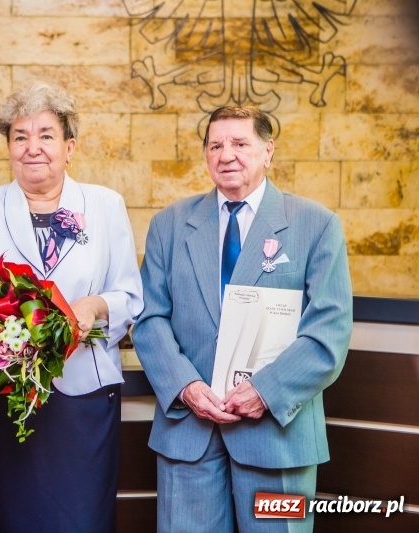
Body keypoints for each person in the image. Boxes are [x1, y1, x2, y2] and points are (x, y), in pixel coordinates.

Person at [133, 105, 353, 532]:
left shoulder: (316, 225)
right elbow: (149, 319)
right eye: (215, 145)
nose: (226, 154)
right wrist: (186, 387)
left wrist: (264, 390)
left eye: (240, 143)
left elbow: (329, 331)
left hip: (277, 438)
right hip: (188, 434)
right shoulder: (170, 226)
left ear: (268, 151)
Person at [0, 82, 143, 533]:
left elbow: (130, 295)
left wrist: (92, 306)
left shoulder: (105, 205)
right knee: (11, 517)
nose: (33, 148)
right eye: (20, 136)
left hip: (85, 395)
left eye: (46, 135)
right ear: (8, 147)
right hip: (7, 394)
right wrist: (6, 337)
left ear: (69, 146)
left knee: (83, 519)